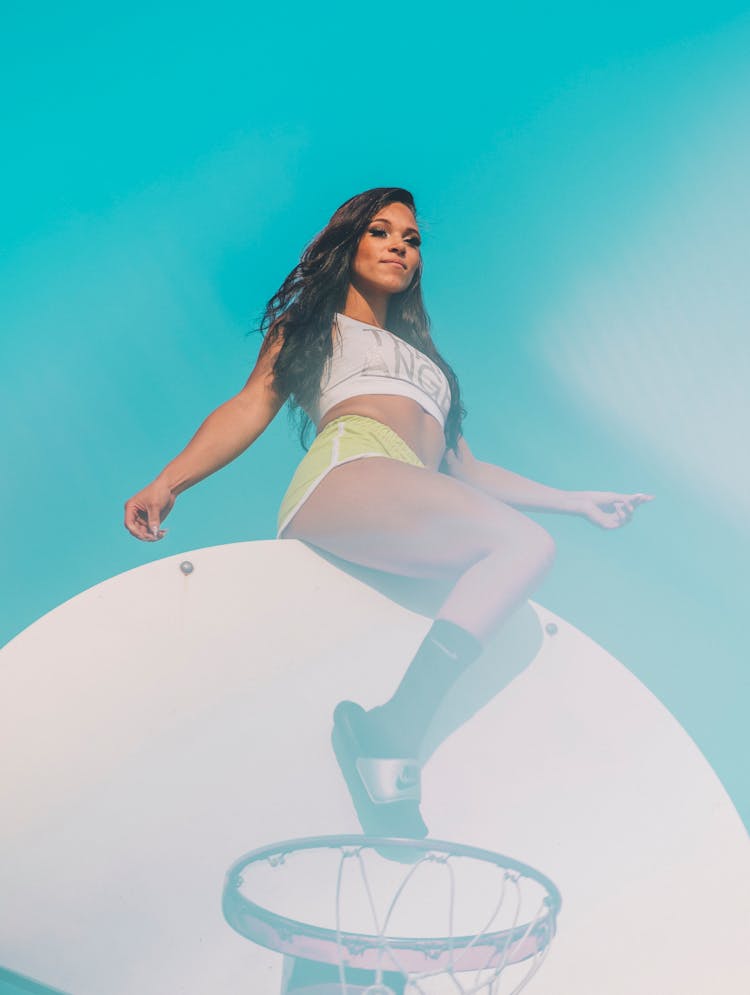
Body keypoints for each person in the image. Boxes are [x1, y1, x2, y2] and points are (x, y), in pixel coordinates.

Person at [124, 186, 653, 838]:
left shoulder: (432, 368)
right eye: (382, 231)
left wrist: (574, 500)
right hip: (350, 469)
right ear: (349, 244)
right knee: (522, 546)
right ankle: (393, 730)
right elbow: (248, 406)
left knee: (525, 548)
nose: (400, 245)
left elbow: (468, 470)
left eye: (412, 238)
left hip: (414, 486)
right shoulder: (313, 328)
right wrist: (169, 480)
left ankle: (391, 733)